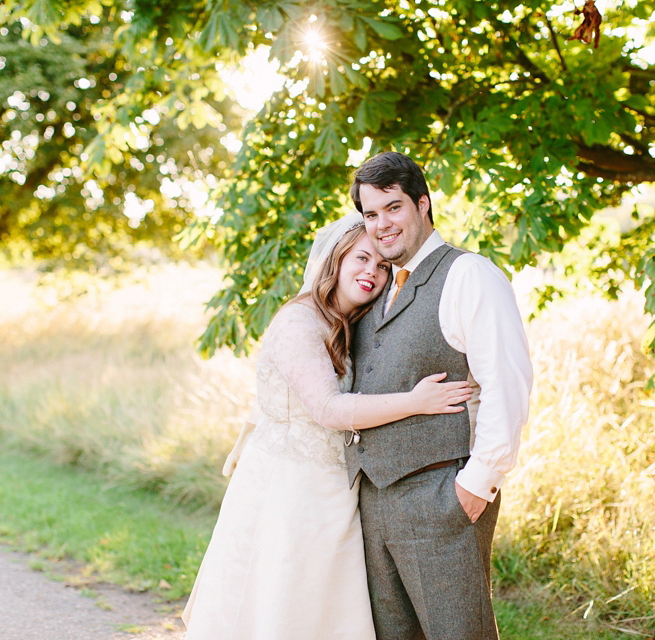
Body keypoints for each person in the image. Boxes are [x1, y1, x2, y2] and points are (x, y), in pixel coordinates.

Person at [181, 215, 474, 640]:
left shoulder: (346, 325)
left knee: (322, 609)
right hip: (287, 490)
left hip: (333, 491)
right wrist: (416, 403)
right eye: (361, 258)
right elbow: (328, 408)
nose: (371, 273)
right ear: (334, 260)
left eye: (381, 267)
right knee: (280, 602)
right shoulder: (299, 322)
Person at [346, 151, 533, 640]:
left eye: (393, 207)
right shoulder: (377, 287)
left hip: (442, 496)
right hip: (375, 502)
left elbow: (507, 382)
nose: (381, 225)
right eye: (370, 214)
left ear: (423, 204)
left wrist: (476, 486)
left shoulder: (469, 275)